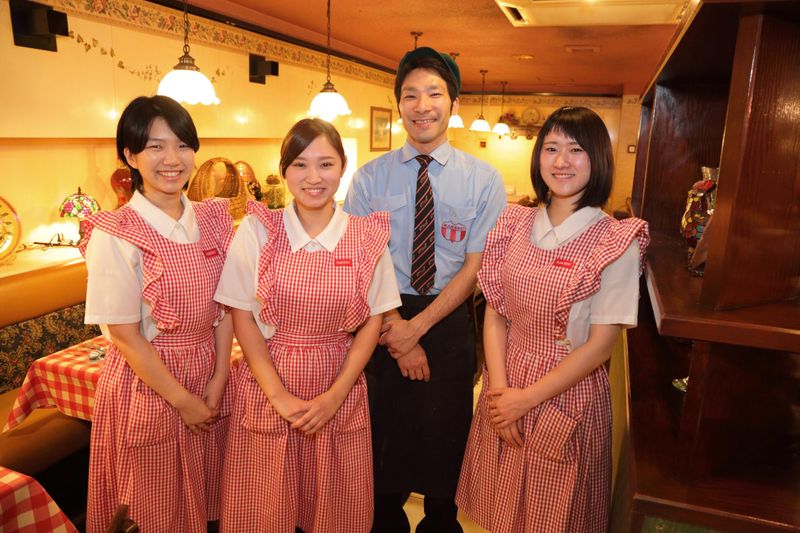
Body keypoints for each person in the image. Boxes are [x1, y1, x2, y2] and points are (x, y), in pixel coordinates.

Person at [456, 106, 650, 532]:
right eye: (551, 148)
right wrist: (501, 392)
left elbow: (600, 346)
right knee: (499, 510)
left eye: (576, 149)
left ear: (598, 158)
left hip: (566, 392)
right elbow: (496, 313)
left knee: (555, 515)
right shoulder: (513, 222)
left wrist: (525, 399)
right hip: (505, 382)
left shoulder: (616, 240)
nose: (562, 161)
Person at [345, 47, 506, 533]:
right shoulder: (369, 178)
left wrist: (416, 330)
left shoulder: (483, 180)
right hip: (382, 320)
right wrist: (397, 330)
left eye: (434, 94)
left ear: (453, 104)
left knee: (444, 459)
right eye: (410, 95)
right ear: (398, 105)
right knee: (383, 457)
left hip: (448, 321)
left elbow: (475, 267)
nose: (422, 106)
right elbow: (359, 262)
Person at [216, 118, 401, 533]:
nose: (313, 177)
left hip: (338, 378)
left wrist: (335, 396)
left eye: (326, 164)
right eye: (300, 164)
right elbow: (242, 314)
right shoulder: (258, 229)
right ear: (284, 170)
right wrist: (278, 396)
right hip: (269, 379)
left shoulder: (366, 236)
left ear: (343, 167)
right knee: (267, 509)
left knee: (333, 508)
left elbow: (373, 321)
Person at [81, 95, 234, 532]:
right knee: (156, 512)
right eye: (155, 147)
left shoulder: (212, 218)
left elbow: (225, 308)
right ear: (130, 156)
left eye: (183, 145)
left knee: (207, 501)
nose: (172, 159)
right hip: (151, 385)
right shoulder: (115, 233)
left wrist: (219, 376)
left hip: (209, 373)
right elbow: (126, 336)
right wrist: (183, 401)